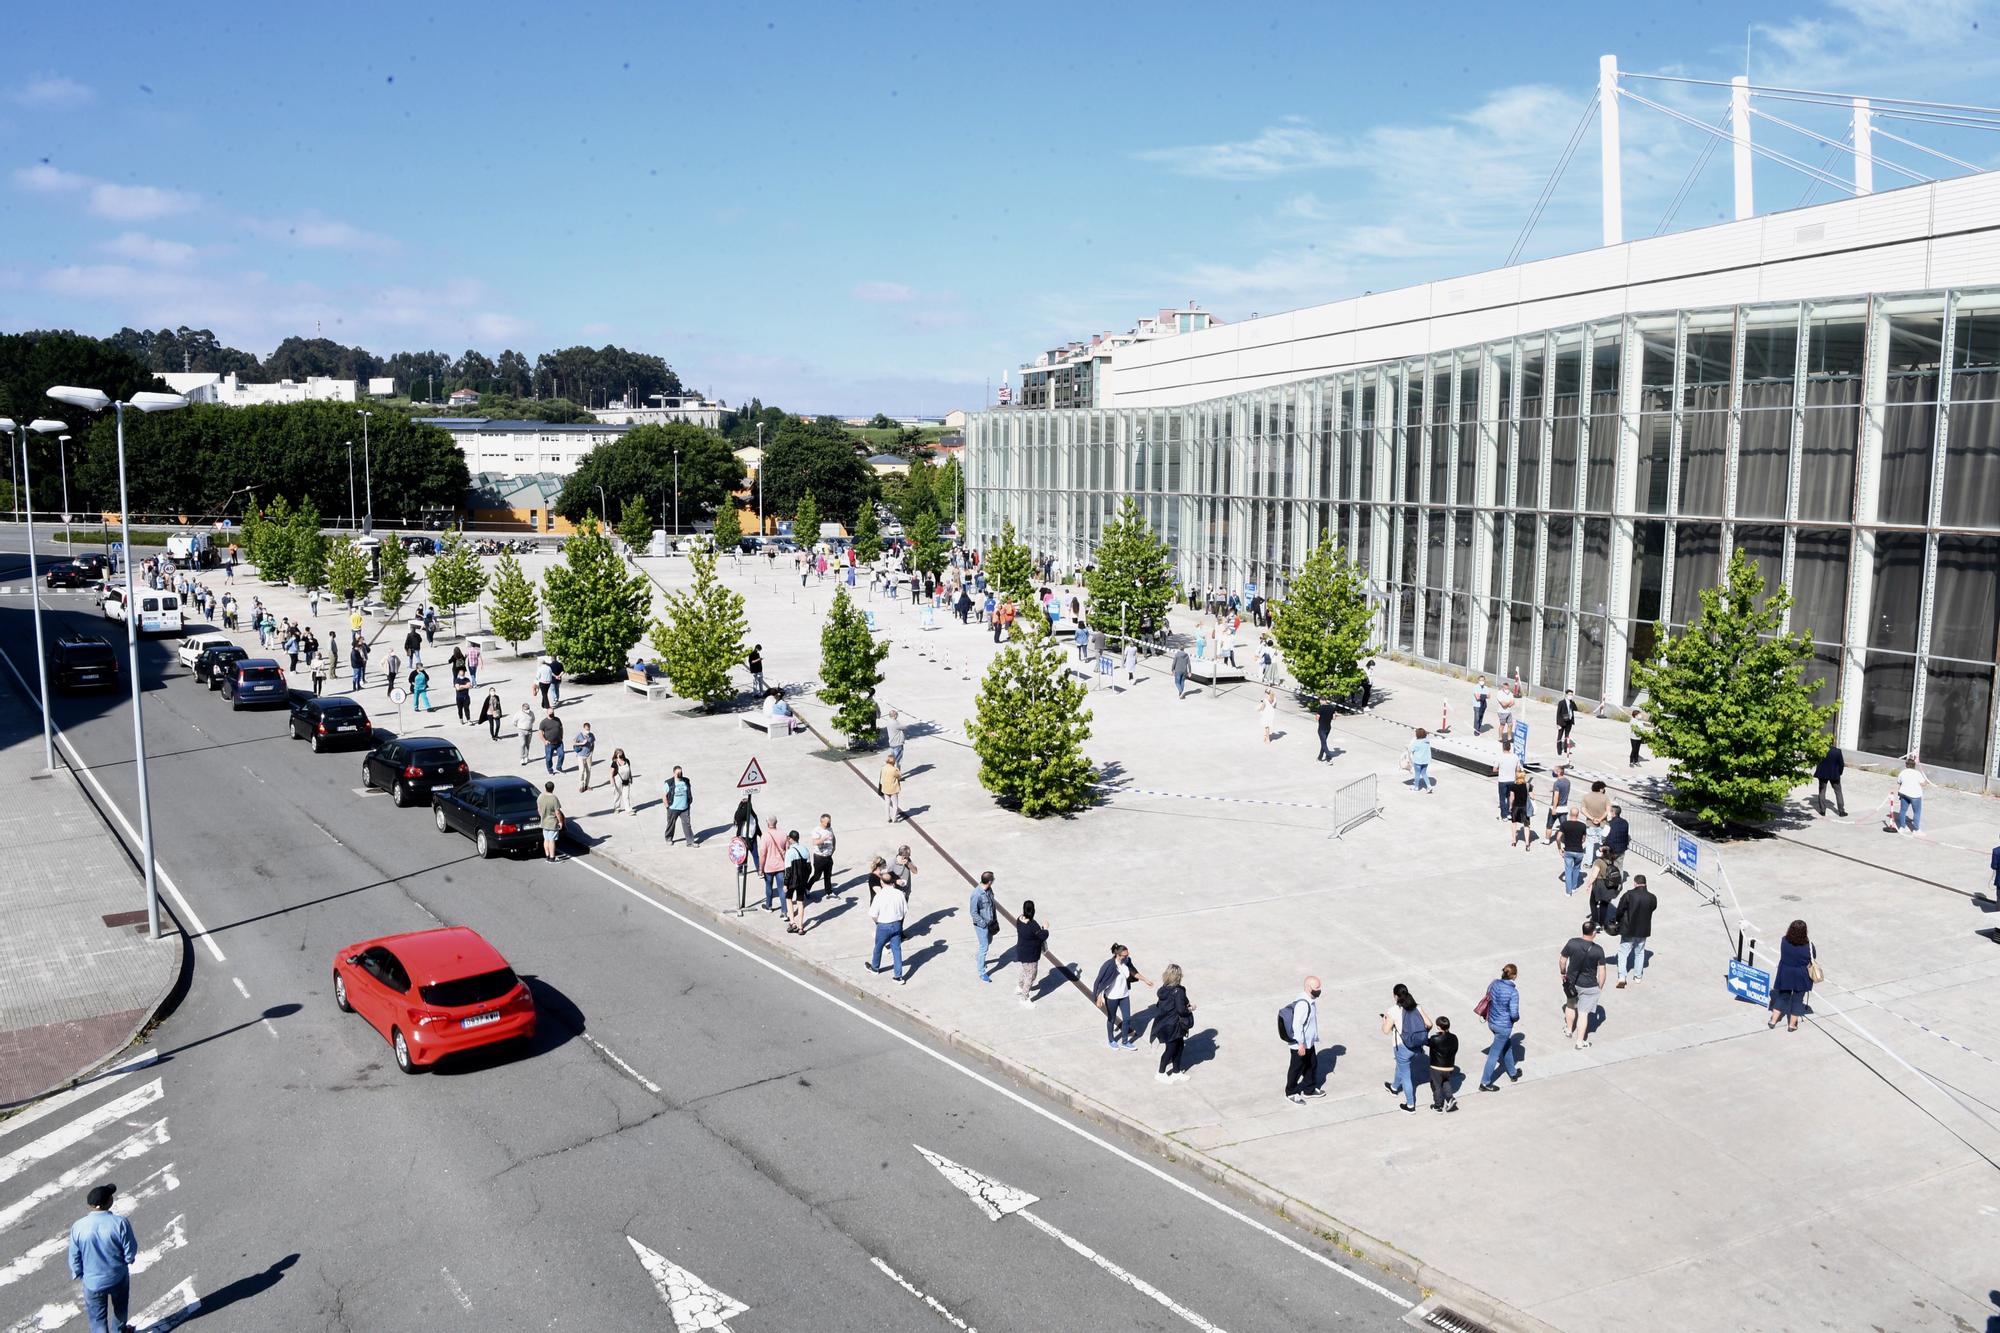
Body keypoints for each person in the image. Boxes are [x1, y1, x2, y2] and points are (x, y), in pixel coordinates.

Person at [68, 1182, 138, 1333]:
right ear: (108, 1202)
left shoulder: (78, 1226)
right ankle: (119, 1331)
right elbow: (130, 1251)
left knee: (97, 1318)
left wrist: (79, 1273)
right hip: (117, 1277)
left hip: (92, 1282)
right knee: (120, 1308)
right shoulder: (119, 1223)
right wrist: (128, 1260)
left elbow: (74, 1256)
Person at [1091, 944, 1152, 1050]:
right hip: (1112, 997)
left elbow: (1134, 972)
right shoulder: (1109, 965)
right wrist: (1098, 997)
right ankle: (1111, 1040)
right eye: (1124, 955)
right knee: (1112, 1018)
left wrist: (1145, 980)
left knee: (1127, 1018)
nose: (1127, 957)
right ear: (1118, 955)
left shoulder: (1127, 962)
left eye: (1127, 954)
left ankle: (1125, 1041)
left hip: (1124, 995)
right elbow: (1100, 981)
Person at [1381, 983, 1428, 1112]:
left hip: (1402, 1048)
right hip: (1417, 1046)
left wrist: (1385, 1020)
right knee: (1401, 1067)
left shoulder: (1393, 1010)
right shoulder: (1417, 1007)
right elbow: (1429, 1024)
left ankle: (1410, 1105)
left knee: (1406, 1076)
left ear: (1395, 996)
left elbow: (1385, 1030)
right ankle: (1394, 1087)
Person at [1561, 921, 1608, 1049]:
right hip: (1589, 986)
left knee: (1570, 1005)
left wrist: (1563, 973)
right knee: (1583, 1013)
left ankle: (1569, 1030)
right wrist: (1599, 987)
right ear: (1593, 933)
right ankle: (1580, 1042)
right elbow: (1602, 970)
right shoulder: (1598, 950)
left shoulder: (1572, 943)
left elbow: (1562, 960)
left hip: (1571, 982)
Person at [1477, 963, 1523, 1090]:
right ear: (1514, 976)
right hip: (1504, 1026)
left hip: (1492, 1022)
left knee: (1507, 1046)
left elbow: (1488, 997)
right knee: (1494, 1054)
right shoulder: (1513, 992)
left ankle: (1513, 1073)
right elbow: (1514, 1014)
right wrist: (1516, 1019)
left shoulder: (1494, 984)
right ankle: (1485, 1082)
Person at [866, 857, 910, 984]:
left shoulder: (879, 896)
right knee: (897, 950)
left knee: (878, 947)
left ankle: (875, 968)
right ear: (892, 882)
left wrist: (879, 921)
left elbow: (873, 914)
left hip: (883, 925)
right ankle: (898, 976)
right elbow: (905, 911)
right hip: (896, 925)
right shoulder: (899, 894)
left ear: (882, 883)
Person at [1770, 919, 1818, 1031]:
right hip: (1801, 975)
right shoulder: (1809, 946)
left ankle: (1773, 1021)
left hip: (1785, 973)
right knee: (1797, 1001)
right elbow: (1812, 958)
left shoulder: (1784, 941)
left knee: (1782, 997)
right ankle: (1792, 1025)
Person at [1151, 964, 1195, 1082]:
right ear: (1178, 976)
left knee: (1179, 1046)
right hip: (1174, 1024)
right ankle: (1160, 1072)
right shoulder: (1178, 991)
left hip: (1164, 1023)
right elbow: (1181, 1010)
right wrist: (1191, 1008)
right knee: (1171, 1049)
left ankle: (1176, 1071)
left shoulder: (1163, 989)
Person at [1284, 976, 1324, 1104]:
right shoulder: (1303, 1004)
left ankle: (1309, 1089)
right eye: (1316, 988)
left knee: (1311, 1065)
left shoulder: (1310, 1000)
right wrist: (1300, 1044)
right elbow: (1297, 1026)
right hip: (1300, 1045)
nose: (1319, 990)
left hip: (1308, 1043)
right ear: (1308, 987)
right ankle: (1291, 1092)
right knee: (1296, 1069)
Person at [1614, 874, 1657, 986]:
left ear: (1635, 883)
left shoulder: (1629, 895)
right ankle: (1638, 976)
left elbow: (1620, 909)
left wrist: (1617, 920)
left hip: (1628, 928)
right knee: (1640, 952)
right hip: (1643, 930)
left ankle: (1622, 977)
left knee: (1623, 953)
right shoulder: (1652, 897)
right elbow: (1653, 908)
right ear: (1645, 883)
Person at [1015, 900, 1049, 1006]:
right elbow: (1042, 936)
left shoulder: (1019, 919)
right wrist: (1046, 929)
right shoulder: (1033, 925)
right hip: (1031, 954)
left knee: (1025, 969)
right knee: (1031, 975)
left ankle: (1020, 986)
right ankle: (1024, 998)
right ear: (1033, 910)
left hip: (1021, 951)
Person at [968, 870, 998, 981]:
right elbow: (973, 912)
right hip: (982, 926)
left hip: (990, 923)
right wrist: (983, 924)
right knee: (984, 947)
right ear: (989, 881)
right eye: (993, 879)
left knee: (988, 942)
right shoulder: (976, 894)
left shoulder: (989, 890)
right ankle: (981, 971)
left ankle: (979, 957)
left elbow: (992, 905)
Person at [1426, 1016, 1460, 1113]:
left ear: (1438, 1027)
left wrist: (1427, 1030)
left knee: (1436, 1086)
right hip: (1449, 1067)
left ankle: (1438, 1106)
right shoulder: (1454, 1038)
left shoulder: (1435, 1039)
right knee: (1445, 1081)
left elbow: (1424, 1041)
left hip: (1436, 1067)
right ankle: (1450, 1098)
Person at [783, 830, 812, 933]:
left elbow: (788, 870)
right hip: (802, 881)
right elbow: (809, 868)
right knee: (800, 903)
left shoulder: (789, 852)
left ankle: (792, 922)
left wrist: (785, 883)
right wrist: (805, 879)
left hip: (792, 881)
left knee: (789, 899)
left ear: (790, 839)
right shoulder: (805, 849)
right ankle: (800, 927)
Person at [758, 817, 787, 911]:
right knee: (781, 889)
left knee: (768, 887)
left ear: (767, 823)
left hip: (768, 867)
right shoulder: (783, 834)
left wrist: (760, 868)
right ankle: (784, 912)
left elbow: (762, 854)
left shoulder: (765, 836)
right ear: (776, 822)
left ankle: (769, 906)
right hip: (781, 866)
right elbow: (787, 849)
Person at [1895, 757, 1929, 834]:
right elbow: (1923, 784)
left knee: (1903, 810)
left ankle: (1902, 827)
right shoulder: (1917, 773)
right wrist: (1926, 782)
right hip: (1915, 795)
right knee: (1917, 812)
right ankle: (1916, 829)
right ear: (1914, 765)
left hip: (1904, 794)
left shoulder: (1903, 772)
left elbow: (1899, 782)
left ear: (1906, 765)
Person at [1813, 744, 1847, 817]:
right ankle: (1841, 811)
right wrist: (1839, 773)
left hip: (1822, 773)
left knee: (1822, 791)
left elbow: (1816, 760)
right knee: (1838, 792)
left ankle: (1822, 811)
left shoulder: (1821, 750)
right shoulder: (1837, 751)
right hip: (1834, 774)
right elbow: (1841, 764)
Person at [1558, 813, 1587, 896]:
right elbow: (1583, 839)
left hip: (1568, 851)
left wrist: (1559, 848)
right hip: (1579, 851)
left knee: (1568, 870)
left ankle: (1568, 892)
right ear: (1577, 815)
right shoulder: (1583, 825)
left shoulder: (1564, 824)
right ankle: (1574, 888)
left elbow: (1558, 838)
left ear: (1570, 814)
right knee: (1576, 869)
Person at [807, 814, 836, 898]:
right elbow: (815, 842)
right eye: (827, 822)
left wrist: (834, 847)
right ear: (821, 821)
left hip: (828, 856)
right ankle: (807, 888)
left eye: (829, 822)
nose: (828, 824)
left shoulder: (830, 828)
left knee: (828, 875)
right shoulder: (816, 830)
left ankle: (829, 892)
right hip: (819, 857)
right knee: (817, 876)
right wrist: (824, 838)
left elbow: (833, 837)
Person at [536, 782, 564, 861]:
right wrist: (560, 822)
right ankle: (552, 857)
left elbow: (539, 809)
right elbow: (557, 812)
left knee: (546, 839)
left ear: (545, 788)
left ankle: (547, 856)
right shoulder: (554, 798)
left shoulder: (540, 797)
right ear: (553, 788)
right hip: (552, 822)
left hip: (544, 822)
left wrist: (542, 816)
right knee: (552, 840)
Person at [1545, 765, 1570, 849]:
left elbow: (1556, 796)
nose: (1553, 772)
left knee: (1549, 824)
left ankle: (1547, 840)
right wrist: (1554, 790)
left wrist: (1554, 808)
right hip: (1564, 808)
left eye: (1555, 771)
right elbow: (1563, 791)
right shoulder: (1567, 781)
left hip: (1556, 808)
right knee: (1564, 826)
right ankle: (1567, 842)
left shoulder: (1557, 783)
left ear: (1559, 772)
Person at [1510, 766, 1534, 849]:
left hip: (1516, 807)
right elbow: (1533, 797)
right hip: (1525, 807)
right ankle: (1527, 843)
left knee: (1514, 824)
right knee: (1526, 825)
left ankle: (1514, 841)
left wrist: (1510, 806)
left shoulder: (1513, 786)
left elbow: (1512, 797)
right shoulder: (1528, 785)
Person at [608, 747, 635, 814]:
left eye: (621, 754)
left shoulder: (627, 761)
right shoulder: (614, 763)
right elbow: (611, 773)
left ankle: (628, 810)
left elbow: (629, 770)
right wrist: (612, 782)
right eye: (619, 754)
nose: (620, 755)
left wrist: (631, 777)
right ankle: (617, 808)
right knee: (617, 795)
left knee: (626, 796)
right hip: (618, 781)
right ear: (616, 755)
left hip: (626, 780)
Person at [1407, 728, 1434, 793]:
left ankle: (1416, 787)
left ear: (1417, 735)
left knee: (1417, 774)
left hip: (1418, 761)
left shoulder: (1416, 742)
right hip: (1426, 761)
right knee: (1424, 773)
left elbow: (1410, 749)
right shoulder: (1427, 741)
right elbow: (1426, 735)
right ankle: (1429, 786)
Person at [573, 721, 597, 792]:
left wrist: (592, 752)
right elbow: (573, 742)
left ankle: (586, 785)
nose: (587, 731)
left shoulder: (591, 735)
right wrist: (581, 743)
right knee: (582, 770)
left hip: (589, 756)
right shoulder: (579, 735)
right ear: (584, 728)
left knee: (588, 771)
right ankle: (581, 786)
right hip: (581, 756)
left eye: (588, 729)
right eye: (586, 729)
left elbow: (593, 744)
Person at [540, 708, 565, 773]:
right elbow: (540, 733)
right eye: (551, 713)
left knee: (561, 754)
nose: (552, 714)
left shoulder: (557, 719)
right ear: (547, 713)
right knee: (548, 758)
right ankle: (550, 769)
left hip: (559, 742)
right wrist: (544, 741)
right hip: (549, 743)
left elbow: (561, 728)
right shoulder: (544, 722)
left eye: (553, 713)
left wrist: (561, 736)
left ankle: (559, 767)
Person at [880, 753, 903, 823]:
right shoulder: (894, 769)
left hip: (885, 788)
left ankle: (888, 817)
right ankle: (894, 818)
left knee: (887, 803)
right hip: (893, 789)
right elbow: (899, 776)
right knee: (895, 804)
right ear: (893, 761)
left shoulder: (883, 768)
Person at [1555, 687, 1578, 755]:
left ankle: (1565, 749)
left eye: (1571, 695)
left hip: (1569, 721)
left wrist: (1573, 702)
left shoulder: (1571, 703)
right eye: (1569, 694)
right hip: (1562, 722)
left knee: (1567, 736)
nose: (1570, 696)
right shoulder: (1561, 703)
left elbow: (1576, 709)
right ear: (1566, 695)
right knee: (1560, 736)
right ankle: (1559, 751)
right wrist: (1558, 724)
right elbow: (1558, 713)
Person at [1316, 697, 1337, 762]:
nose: (1320, 703)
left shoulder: (1320, 708)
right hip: (1328, 728)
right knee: (1324, 742)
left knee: (1323, 743)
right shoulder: (1332, 707)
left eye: (1320, 701)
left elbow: (1317, 718)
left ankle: (1328, 756)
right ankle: (1320, 757)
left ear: (1322, 700)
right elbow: (1334, 718)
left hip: (1321, 728)